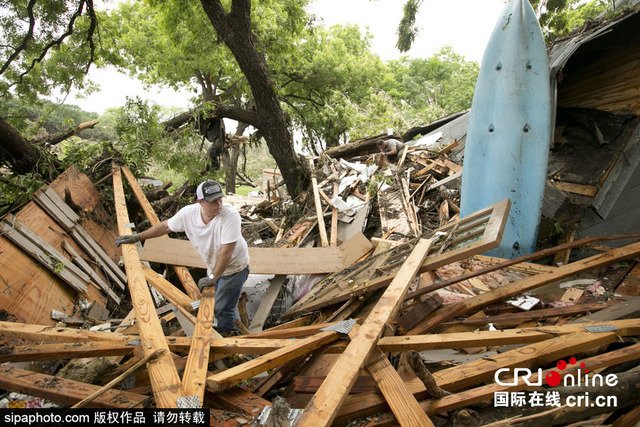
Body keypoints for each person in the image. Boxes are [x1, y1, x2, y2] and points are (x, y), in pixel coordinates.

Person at [116, 180, 250, 336]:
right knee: (214, 302)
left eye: (220, 199)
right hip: (214, 266)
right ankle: (222, 325)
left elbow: (227, 252)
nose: (218, 204)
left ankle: (227, 335)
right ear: (200, 202)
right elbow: (165, 226)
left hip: (235, 268)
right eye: (213, 201)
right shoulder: (188, 214)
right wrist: (138, 237)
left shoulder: (229, 215)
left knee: (223, 307)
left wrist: (213, 277)